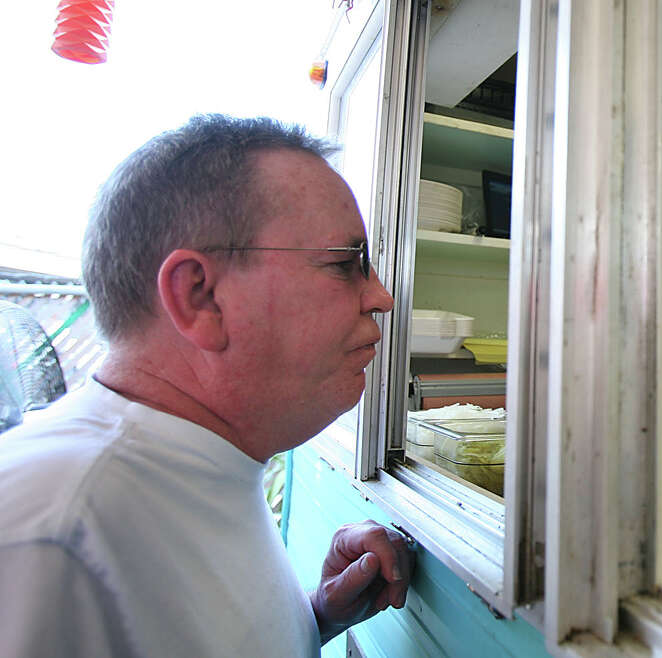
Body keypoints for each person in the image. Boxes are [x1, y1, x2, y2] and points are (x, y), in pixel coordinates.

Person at [0, 115, 413, 656]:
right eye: (345, 263)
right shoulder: (49, 539)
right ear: (200, 296)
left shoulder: (197, 466)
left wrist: (317, 616)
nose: (381, 296)